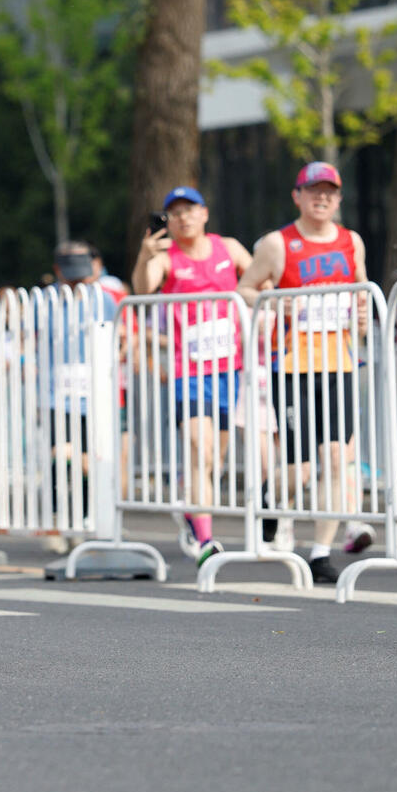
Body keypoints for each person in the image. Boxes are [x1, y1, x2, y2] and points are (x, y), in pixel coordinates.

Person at [237, 161, 369, 584]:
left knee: (335, 457)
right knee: (301, 466)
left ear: (339, 198)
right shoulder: (279, 243)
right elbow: (245, 286)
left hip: (340, 363)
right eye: (314, 190)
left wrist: (364, 316)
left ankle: (320, 553)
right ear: (298, 195)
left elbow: (362, 288)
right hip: (292, 365)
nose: (322, 198)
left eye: (330, 191)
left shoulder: (351, 241)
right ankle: (271, 501)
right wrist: (272, 301)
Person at [132, 186, 253, 568]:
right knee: (199, 448)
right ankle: (206, 540)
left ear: (204, 213)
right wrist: (144, 255)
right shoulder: (167, 256)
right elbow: (142, 287)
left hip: (230, 367)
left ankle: (191, 511)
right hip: (190, 370)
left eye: (190, 210)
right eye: (175, 213)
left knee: (215, 457)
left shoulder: (229, 248)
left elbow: (259, 282)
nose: (183, 218)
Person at [46, 241, 118, 550]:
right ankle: (58, 519)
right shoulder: (46, 301)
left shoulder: (105, 301)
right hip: (56, 393)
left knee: (89, 458)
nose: (77, 282)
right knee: (60, 454)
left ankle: (86, 517)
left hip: (94, 392)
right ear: (58, 271)